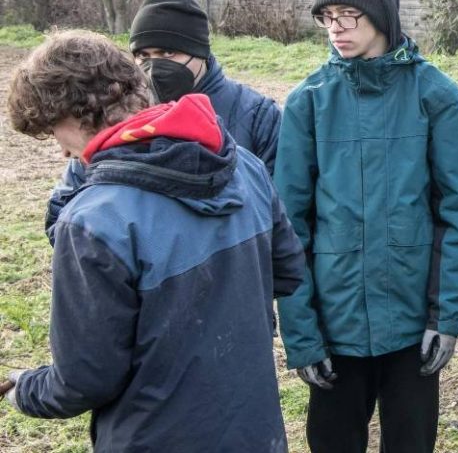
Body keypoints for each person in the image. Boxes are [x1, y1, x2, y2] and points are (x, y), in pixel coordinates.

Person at [3, 30, 305, 451]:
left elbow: (85, 378)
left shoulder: (94, 221)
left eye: (53, 131)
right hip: (253, 433)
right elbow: (288, 271)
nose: (61, 152)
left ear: (77, 113)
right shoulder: (243, 165)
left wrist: (26, 389)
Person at [273, 0, 458, 453]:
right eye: (326, 18)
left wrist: (446, 318)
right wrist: (302, 334)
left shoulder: (436, 96)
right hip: (334, 332)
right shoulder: (308, 103)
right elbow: (288, 229)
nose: (336, 29)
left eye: (349, 16)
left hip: (412, 331)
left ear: (382, 14)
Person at [44, 0, 282, 239]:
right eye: (143, 55)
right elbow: (65, 209)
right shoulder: (115, 114)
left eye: (168, 53)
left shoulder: (256, 114)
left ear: (199, 52)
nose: (154, 66)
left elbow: (277, 208)